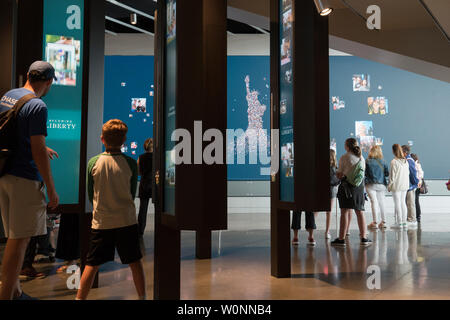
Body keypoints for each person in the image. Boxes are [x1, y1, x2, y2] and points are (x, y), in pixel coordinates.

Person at [0, 61, 59, 300]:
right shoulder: (38, 105)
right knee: (18, 242)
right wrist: (52, 190)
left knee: (14, 237)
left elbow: (15, 133)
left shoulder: (10, 96)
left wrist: (42, 147)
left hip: (5, 174)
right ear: (49, 82)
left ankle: (15, 291)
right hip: (25, 178)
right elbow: (36, 149)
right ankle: (6, 295)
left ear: (27, 76)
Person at [76, 120, 146, 300]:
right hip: (126, 221)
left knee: (91, 264)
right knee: (135, 262)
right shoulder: (130, 163)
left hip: (101, 222)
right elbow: (132, 192)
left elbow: (91, 193)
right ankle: (142, 297)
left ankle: (79, 298)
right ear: (124, 141)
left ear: (102, 139)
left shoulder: (94, 162)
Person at [331, 138, 372, 247]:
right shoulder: (361, 158)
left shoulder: (344, 157)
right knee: (360, 212)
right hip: (358, 188)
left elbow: (339, 174)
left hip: (346, 187)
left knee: (344, 212)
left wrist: (342, 175)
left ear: (347, 146)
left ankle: (341, 239)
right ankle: (364, 237)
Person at [365, 146, 389, 230]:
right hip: (381, 184)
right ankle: (384, 222)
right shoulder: (383, 161)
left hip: (370, 184)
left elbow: (364, 173)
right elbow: (387, 174)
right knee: (382, 202)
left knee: (374, 202)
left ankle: (375, 222)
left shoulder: (367, 161)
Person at [388, 144, 410, 229]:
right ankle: (404, 223)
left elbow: (392, 176)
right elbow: (408, 173)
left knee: (397, 204)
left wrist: (389, 186)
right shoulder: (406, 161)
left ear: (393, 151)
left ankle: (399, 223)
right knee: (403, 203)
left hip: (396, 186)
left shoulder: (394, 162)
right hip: (404, 185)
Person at [137, 138, 153, 236]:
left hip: (144, 184)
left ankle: (140, 231)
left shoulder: (141, 157)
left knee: (143, 209)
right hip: (155, 185)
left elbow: (139, 172)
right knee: (160, 209)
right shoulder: (157, 157)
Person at [401, 145, 419, 228]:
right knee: (407, 203)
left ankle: (412, 219)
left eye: (401, 151)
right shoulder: (405, 160)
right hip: (406, 186)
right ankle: (409, 219)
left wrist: (414, 184)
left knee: (410, 203)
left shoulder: (409, 160)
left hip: (410, 186)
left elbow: (413, 173)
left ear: (405, 152)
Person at [325, 149, 340, 239]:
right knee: (329, 212)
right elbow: (337, 180)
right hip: (332, 190)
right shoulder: (335, 167)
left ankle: (311, 227)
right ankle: (327, 231)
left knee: (316, 210)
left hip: (323, 189)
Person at [410, 154, 424, 223]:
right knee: (416, 201)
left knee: (414, 201)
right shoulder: (418, 164)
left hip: (416, 185)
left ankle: (417, 216)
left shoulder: (415, 165)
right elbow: (421, 175)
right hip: (419, 185)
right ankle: (418, 216)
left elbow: (418, 175)